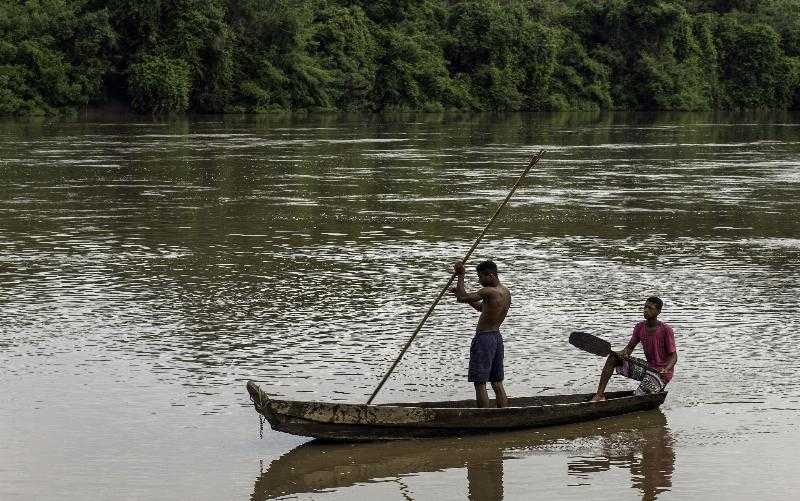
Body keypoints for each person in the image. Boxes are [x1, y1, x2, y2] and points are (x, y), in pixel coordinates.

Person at [591, 296, 677, 402]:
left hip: (661, 373)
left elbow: (674, 356)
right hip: (648, 367)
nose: (646, 310)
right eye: (645, 307)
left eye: (650, 308)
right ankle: (599, 395)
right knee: (613, 358)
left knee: (638, 397)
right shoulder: (639, 327)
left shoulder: (666, 330)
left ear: (658, 311)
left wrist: (666, 369)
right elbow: (629, 348)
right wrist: (621, 353)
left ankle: (657, 385)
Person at [451, 260, 511, 408]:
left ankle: (483, 416)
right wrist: (461, 294)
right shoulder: (505, 292)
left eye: (480, 277)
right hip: (496, 337)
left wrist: (460, 275)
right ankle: (504, 414)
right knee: (496, 381)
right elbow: (481, 308)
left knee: (480, 382)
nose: (479, 281)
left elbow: (462, 297)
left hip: (485, 338)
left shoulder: (488, 291)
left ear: (490, 275)